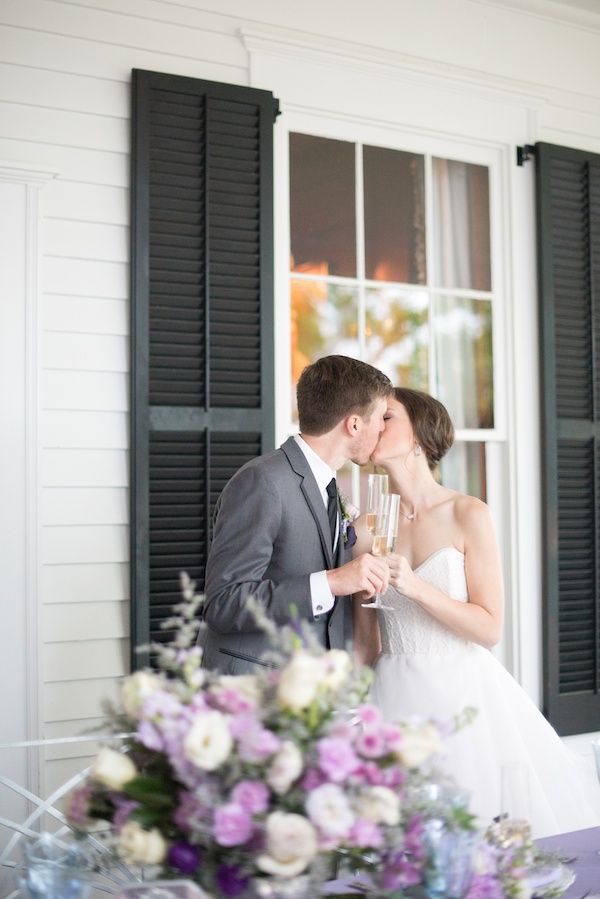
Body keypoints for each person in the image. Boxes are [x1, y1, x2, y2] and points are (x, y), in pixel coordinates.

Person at [353, 387, 600, 838]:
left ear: (420, 436)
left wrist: (416, 587)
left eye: (387, 417)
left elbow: (490, 628)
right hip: (391, 701)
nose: (373, 424)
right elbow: (366, 641)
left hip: (464, 700)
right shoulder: (367, 528)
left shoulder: (468, 513)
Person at [200, 354, 394, 674]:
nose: (383, 430)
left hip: (311, 692)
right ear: (355, 424)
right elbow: (224, 603)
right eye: (381, 418)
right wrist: (332, 582)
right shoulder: (263, 481)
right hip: (255, 692)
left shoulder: (329, 489)